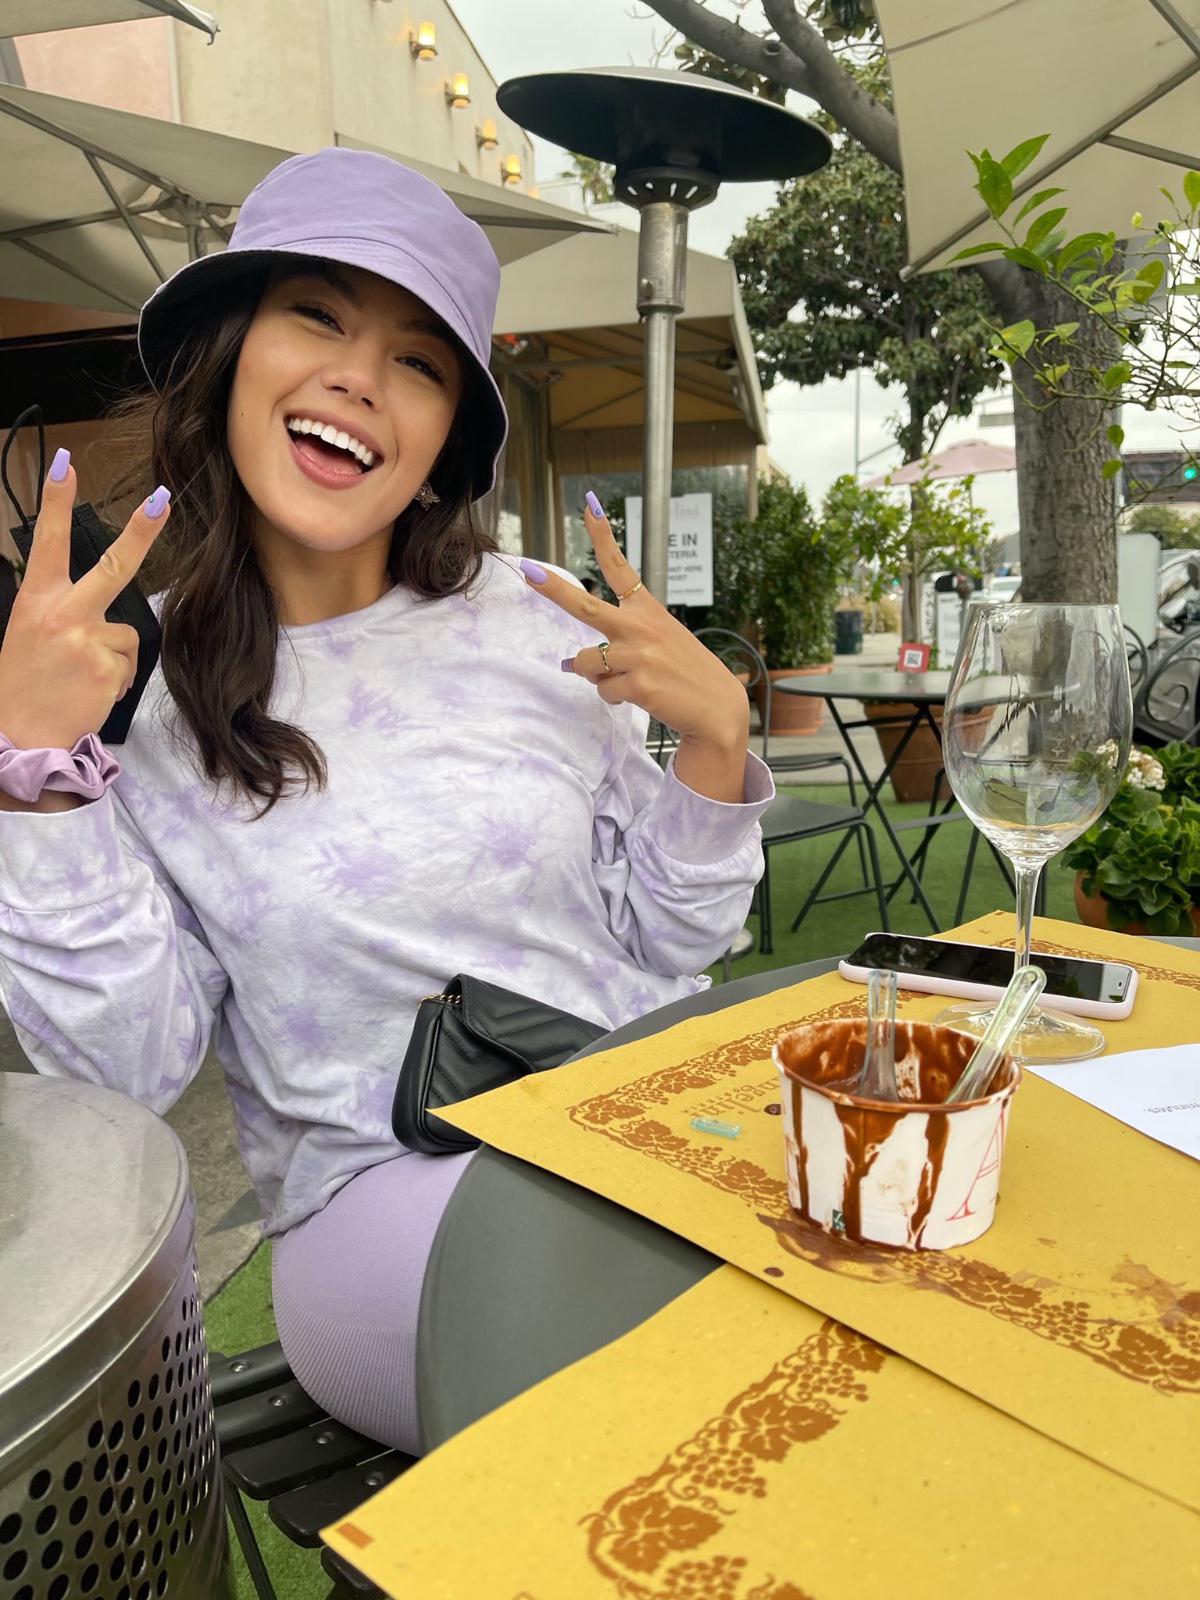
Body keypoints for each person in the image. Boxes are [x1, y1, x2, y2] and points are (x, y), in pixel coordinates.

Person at [0, 148, 774, 1455]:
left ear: (439, 446)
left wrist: (713, 745)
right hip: (392, 1206)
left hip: (641, 1123)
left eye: (418, 360)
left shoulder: (537, 622)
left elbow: (666, 941)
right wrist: (36, 778)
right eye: (317, 315)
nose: (359, 376)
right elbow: (127, 1068)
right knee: (689, 1387)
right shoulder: (128, 686)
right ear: (229, 359)